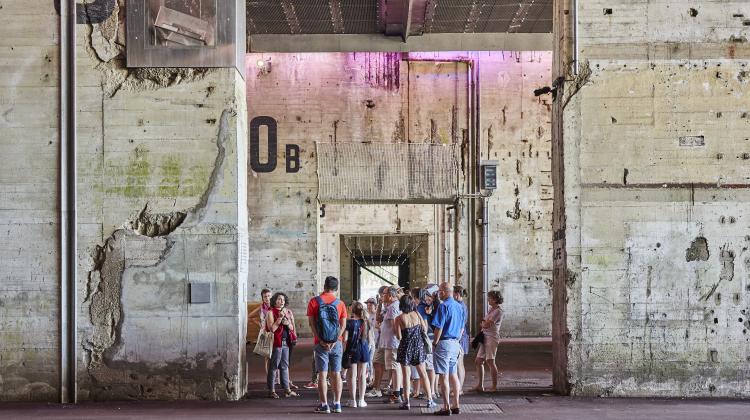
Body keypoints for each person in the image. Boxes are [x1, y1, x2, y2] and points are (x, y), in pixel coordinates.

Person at [307, 276, 348, 414]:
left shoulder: (314, 301)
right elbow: (343, 325)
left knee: (322, 375)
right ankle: (337, 404)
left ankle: (324, 405)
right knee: (336, 374)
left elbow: (312, 324)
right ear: (336, 288)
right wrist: (335, 340)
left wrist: (321, 339)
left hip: (320, 343)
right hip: (336, 344)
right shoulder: (340, 303)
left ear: (324, 286)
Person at [395, 295, 436, 410]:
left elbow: (398, 336)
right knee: (423, 374)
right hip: (418, 347)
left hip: (405, 348)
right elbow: (424, 328)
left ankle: (406, 402)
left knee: (406, 376)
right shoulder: (417, 314)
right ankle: (430, 400)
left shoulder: (399, 318)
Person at [431, 282, 466, 416]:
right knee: (454, 375)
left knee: (443, 376)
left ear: (445, 292)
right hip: (456, 343)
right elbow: (462, 327)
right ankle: (456, 405)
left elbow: (439, 327)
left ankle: (446, 407)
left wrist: (435, 342)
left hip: (444, 343)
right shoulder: (459, 306)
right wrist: (456, 340)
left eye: (440, 291)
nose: (439, 293)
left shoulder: (443, 306)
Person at [265, 292, 298, 398]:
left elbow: (292, 328)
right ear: (274, 300)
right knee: (273, 366)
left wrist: (288, 323)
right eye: (279, 299)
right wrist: (279, 319)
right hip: (276, 343)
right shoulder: (270, 312)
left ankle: (287, 390)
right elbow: (272, 329)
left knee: (284, 366)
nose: (282, 301)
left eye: (283, 300)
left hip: (286, 343)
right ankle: (272, 390)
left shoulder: (287, 312)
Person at [474, 291, 504, 392]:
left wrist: (483, 324)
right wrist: (483, 323)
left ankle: (494, 386)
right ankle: (480, 385)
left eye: (490, 298)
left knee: (490, 361)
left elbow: (487, 324)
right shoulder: (491, 309)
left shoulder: (498, 311)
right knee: (478, 361)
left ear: (495, 300)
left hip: (492, 338)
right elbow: (483, 322)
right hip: (485, 337)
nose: (488, 300)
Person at [344, 301, 372, 408]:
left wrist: (345, 351)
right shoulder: (366, 322)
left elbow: (345, 339)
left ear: (352, 310)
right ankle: (361, 400)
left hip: (352, 349)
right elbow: (370, 340)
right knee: (362, 376)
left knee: (352, 376)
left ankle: (353, 400)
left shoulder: (349, 323)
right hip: (364, 348)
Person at [379, 286, 403, 404]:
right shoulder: (392, 306)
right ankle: (398, 391)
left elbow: (395, 326)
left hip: (392, 343)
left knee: (394, 368)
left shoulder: (393, 307)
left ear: (390, 295)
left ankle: (396, 394)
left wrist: (398, 338)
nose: (382, 296)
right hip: (392, 342)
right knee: (395, 367)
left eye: (383, 294)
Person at [365, 286, 389, 398]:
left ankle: (389, 387)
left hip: (383, 341)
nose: (369, 306)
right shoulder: (374, 313)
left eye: (383, 295)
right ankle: (377, 385)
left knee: (382, 364)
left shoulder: (390, 309)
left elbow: (379, 325)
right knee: (376, 363)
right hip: (378, 341)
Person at [417, 288, 438, 399]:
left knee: (428, 366)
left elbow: (424, 325)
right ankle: (432, 390)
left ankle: (430, 392)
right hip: (433, 337)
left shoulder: (421, 307)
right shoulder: (434, 306)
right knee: (431, 365)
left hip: (427, 338)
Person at [453, 285, 470, 393]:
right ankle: (457, 387)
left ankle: (459, 388)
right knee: (457, 363)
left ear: (457, 294)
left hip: (460, 338)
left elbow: (462, 325)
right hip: (459, 337)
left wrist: (457, 338)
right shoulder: (459, 305)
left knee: (459, 363)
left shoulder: (461, 306)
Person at [364, 297, 378, 386]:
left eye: (370, 305)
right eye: (367, 305)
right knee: (369, 360)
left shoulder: (377, 315)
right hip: (369, 341)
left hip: (377, 341)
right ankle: (370, 378)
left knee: (373, 361)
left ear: (375, 306)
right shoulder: (367, 316)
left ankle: (373, 379)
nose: (369, 307)